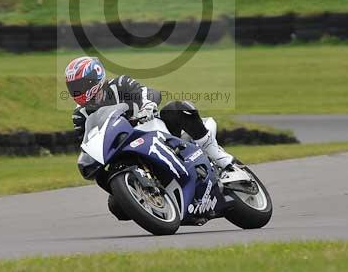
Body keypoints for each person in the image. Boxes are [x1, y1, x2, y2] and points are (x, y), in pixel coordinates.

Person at [66, 56, 246, 183]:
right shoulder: (80, 115)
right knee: (116, 207)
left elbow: (147, 92)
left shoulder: (120, 84)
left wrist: (147, 106)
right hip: (123, 148)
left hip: (152, 129)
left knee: (177, 108)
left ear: (95, 78)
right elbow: (87, 141)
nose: (78, 91)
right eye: (73, 87)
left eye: (81, 85)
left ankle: (222, 161)